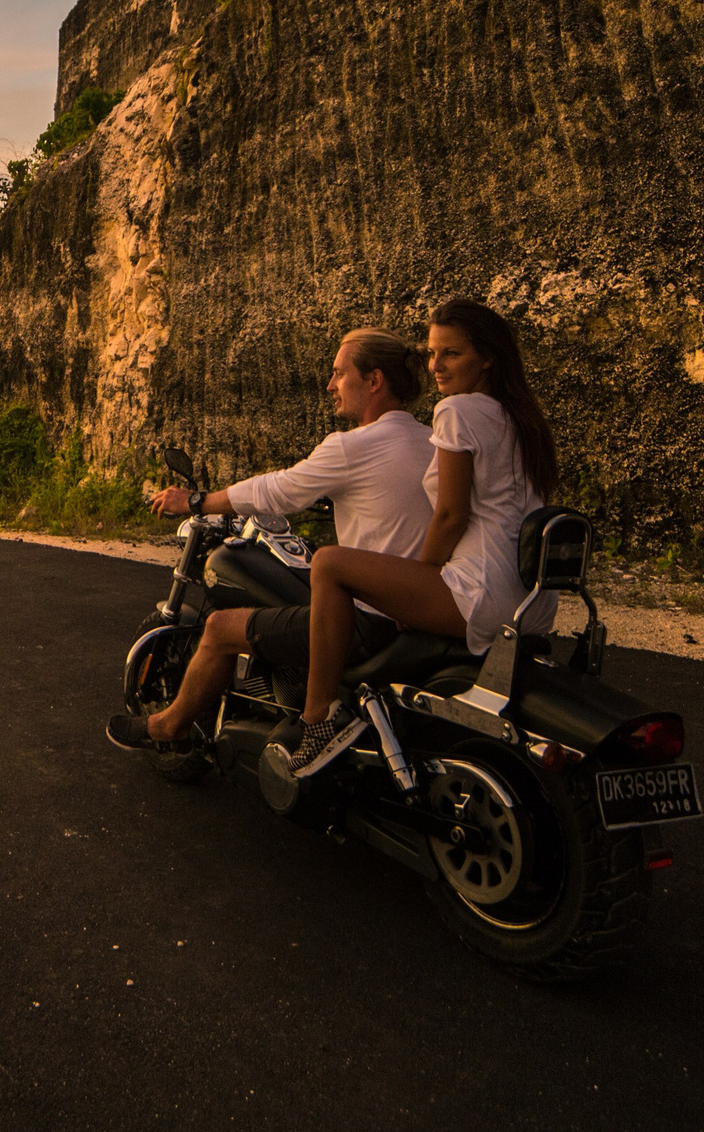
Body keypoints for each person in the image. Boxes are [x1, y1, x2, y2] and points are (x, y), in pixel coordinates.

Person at [106, 329, 432, 756]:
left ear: (374, 381)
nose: (330, 385)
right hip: (418, 611)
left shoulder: (353, 447)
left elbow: (278, 490)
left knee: (219, 629)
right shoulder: (430, 440)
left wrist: (197, 501)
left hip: (368, 620)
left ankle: (169, 726)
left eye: (339, 374)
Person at [278, 297, 559, 777]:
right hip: (529, 601)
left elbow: (450, 515)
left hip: (479, 593)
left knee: (328, 562)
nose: (436, 366)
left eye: (452, 353)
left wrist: (418, 585)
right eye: (432, 353)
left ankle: (317, 720)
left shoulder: (457, 411)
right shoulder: (520, 418)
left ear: (487, 359)